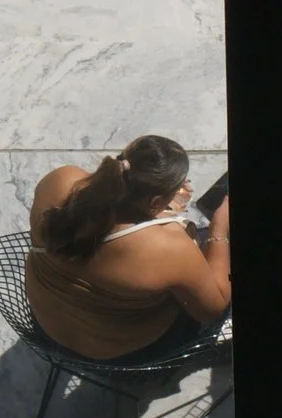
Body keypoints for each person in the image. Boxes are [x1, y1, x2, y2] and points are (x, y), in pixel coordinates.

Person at [24, 135, 231, 361]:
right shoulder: (168, 248)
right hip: (118, 355)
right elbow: (211, 309)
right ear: (155, 202)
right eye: (178, 187)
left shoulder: (60, 180)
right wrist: (219, 229)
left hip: (44, 326)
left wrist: (148, 209)